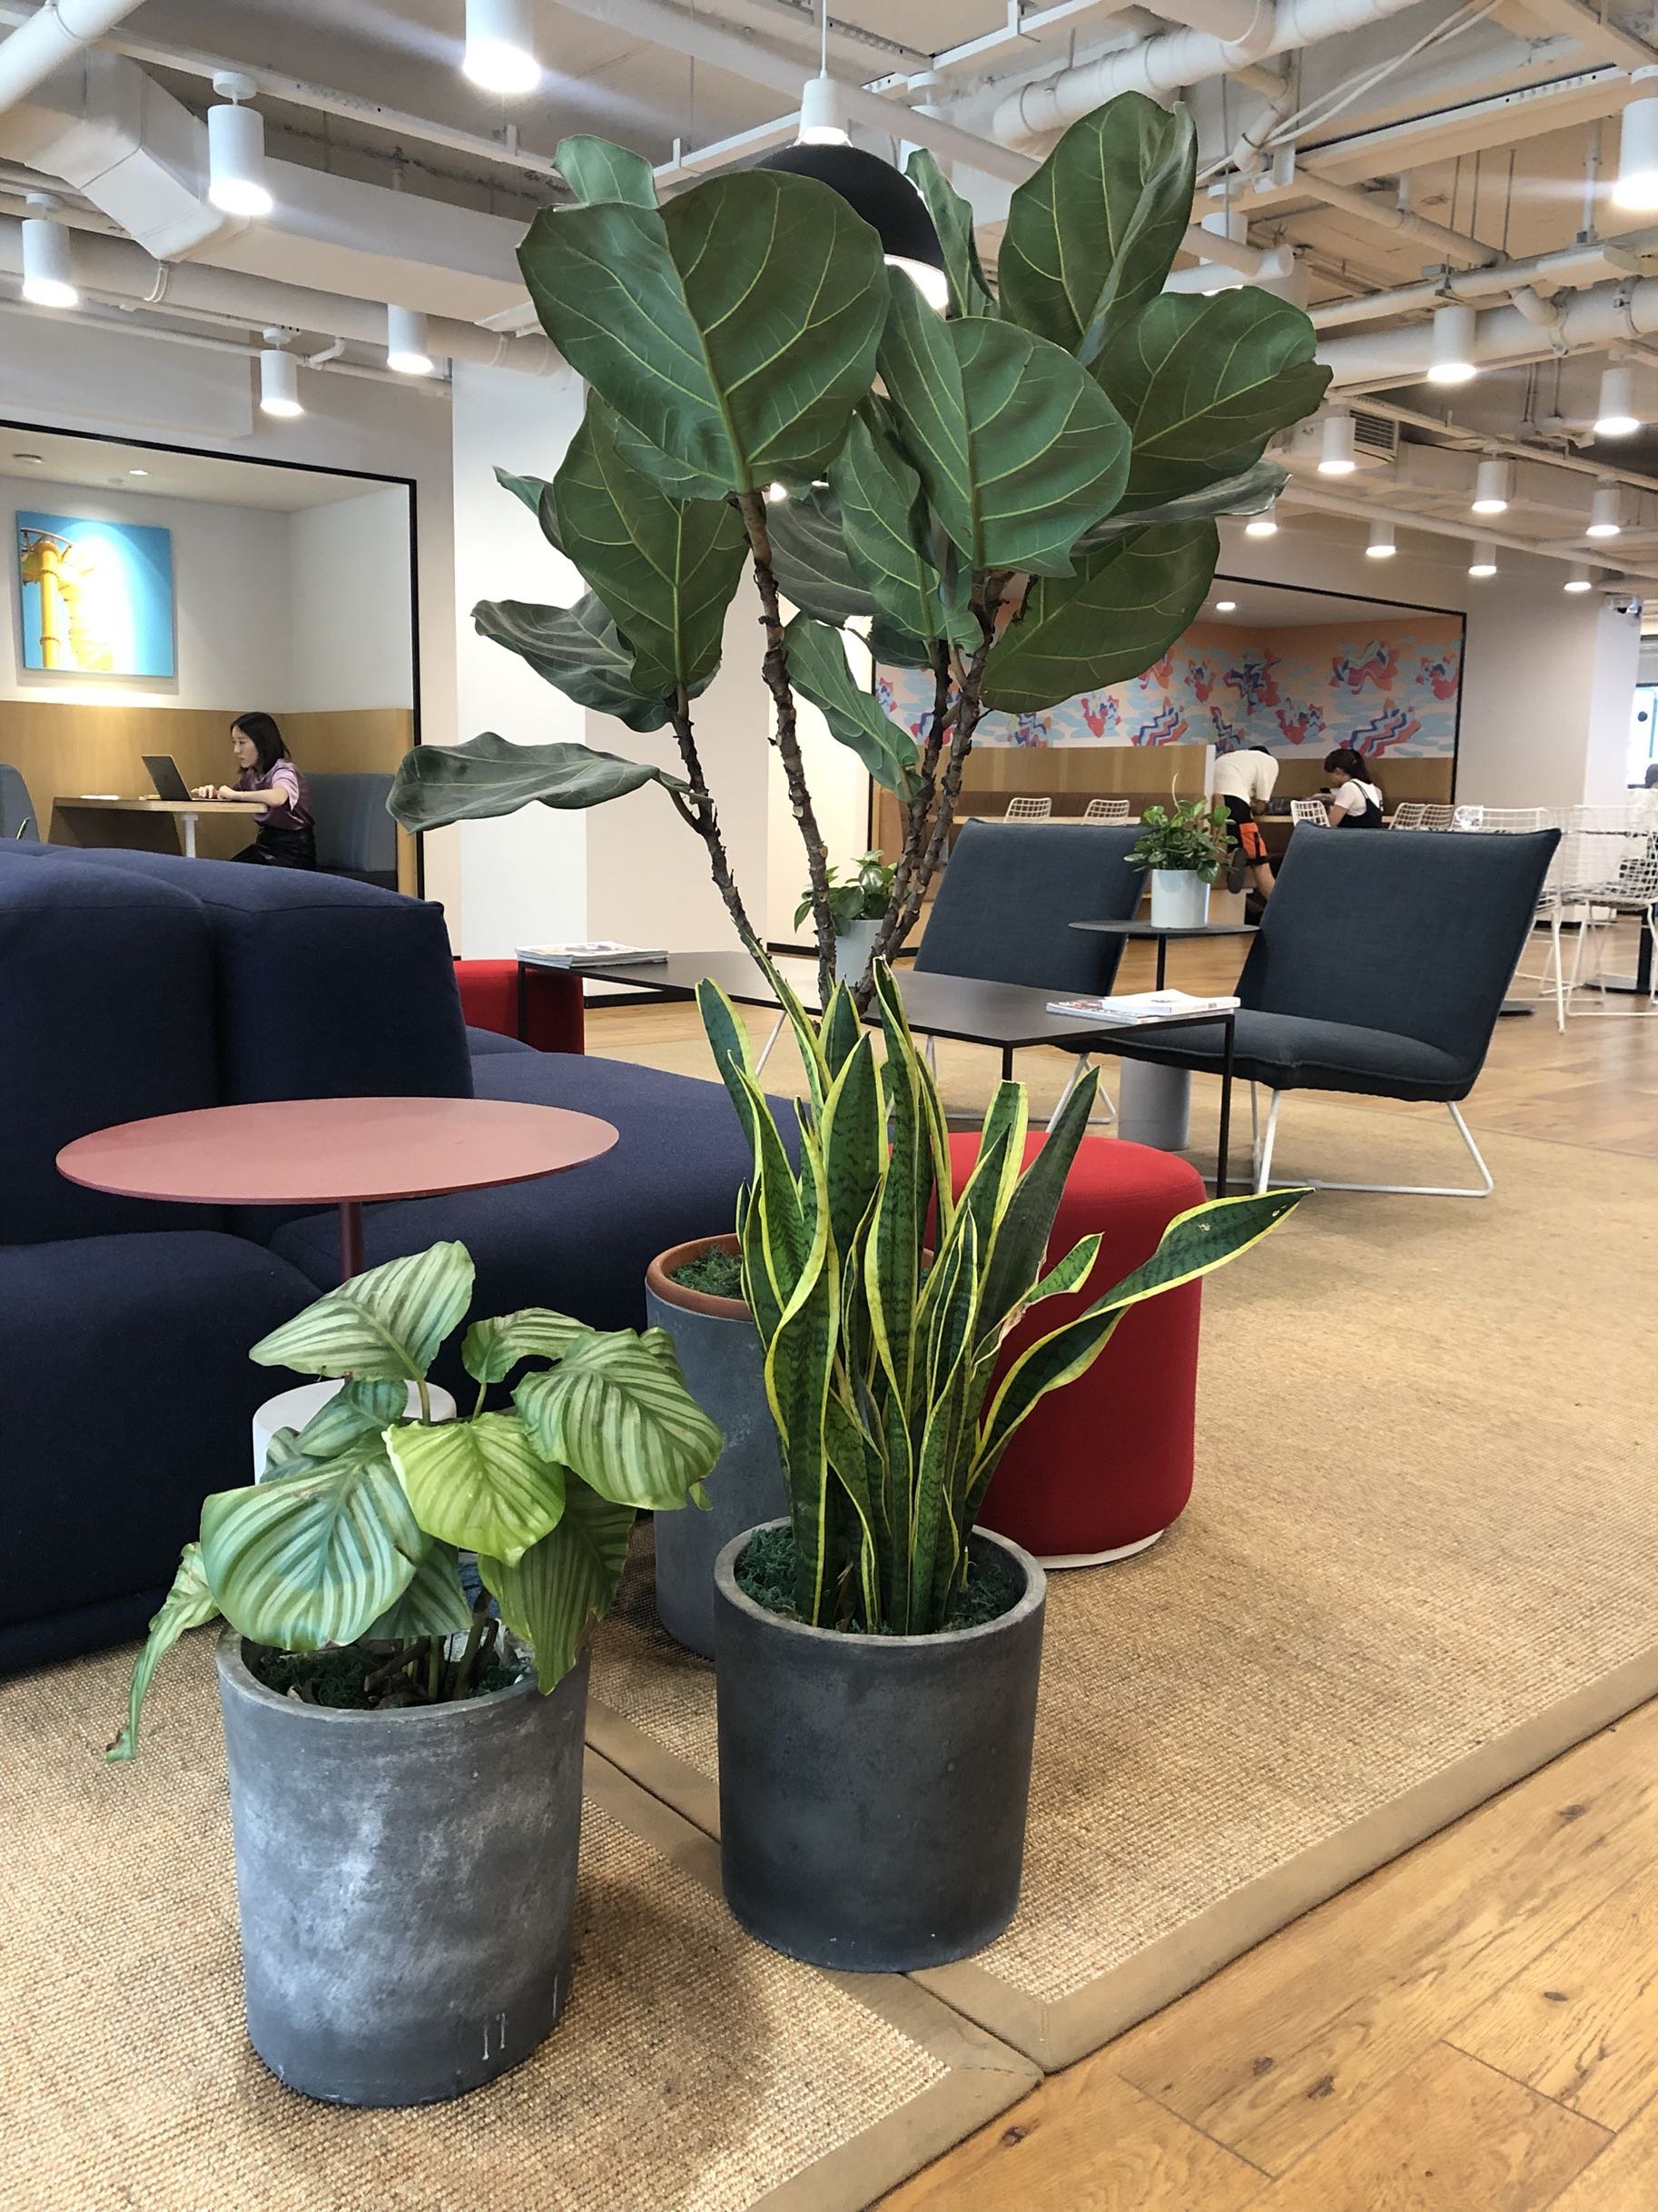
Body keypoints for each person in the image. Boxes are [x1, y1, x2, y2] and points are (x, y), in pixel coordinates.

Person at [195, 712, 317, 868]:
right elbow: (234, 796)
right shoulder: (252, 774)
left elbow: (278, 797)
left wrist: (236, 794)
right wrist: (214, 793)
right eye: (234, 742)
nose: (236, 750)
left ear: (262, 743)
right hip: (266, 843)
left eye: (242, 742)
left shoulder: (284, 770)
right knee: (225, 871)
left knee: (236, 874)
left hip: (294, 852)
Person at [1212, 742, 1278, 901]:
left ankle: (1232, 855)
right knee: (1259, 862)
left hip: (1212, 802)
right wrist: (1255, 807)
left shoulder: (1231, 758)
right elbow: (1261, 805)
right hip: (1235, 802)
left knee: (1228, 841)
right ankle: (1279, 905)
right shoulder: (1269, 762)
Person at [1322, 746, 1386, 828]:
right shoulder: (1372, 788)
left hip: (1354, 835)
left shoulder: (1349, 787)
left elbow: (1331, 823)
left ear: (1338, 771)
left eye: (1330, 775)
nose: (1331, 779)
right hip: (1374, 834)